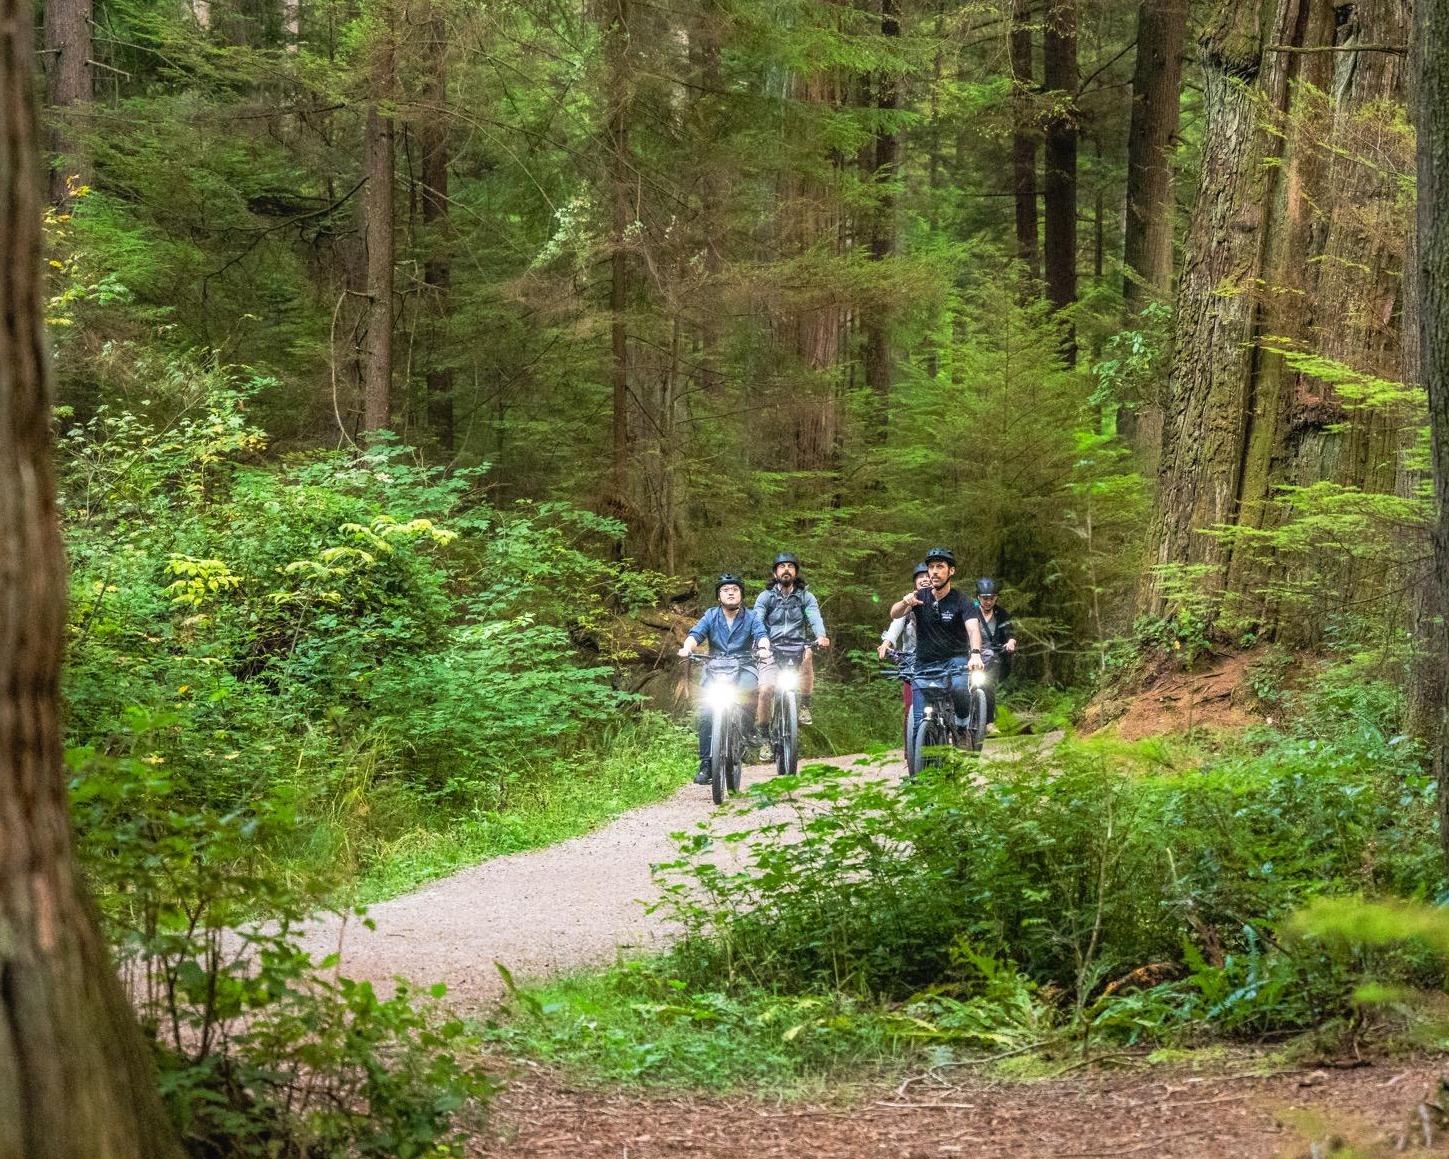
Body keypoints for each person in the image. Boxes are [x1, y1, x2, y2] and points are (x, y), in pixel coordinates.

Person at [678, 574, 771, 784]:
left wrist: (764, 648)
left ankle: (748, 730)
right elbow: (695, 635)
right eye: (725, 589)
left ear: (741, 594)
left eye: (735, 589)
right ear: (719, 596)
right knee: (706, 712)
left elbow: (761, 634)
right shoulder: (711, 615)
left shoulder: (752, 616)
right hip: (716, 668)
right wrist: (686, 647)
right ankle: (706, 765)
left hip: (744, 666)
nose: (730, 592)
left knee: (749, 691)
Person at [887, 548, 985, 745]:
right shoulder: (919, 596)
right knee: (917, 726)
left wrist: (975, 654)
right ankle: (919, 770)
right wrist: (904, 602)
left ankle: (961, 727)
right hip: (924, 664)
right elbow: (894, 614)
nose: (934, 572)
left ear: (951, 571)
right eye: (931, 567)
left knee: (959, 688)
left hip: (955, 661)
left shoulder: (962, 600)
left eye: (940, 567)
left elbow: (973, 630)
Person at [754, 552, 829, 760]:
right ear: (775, 572)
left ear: (796, 572)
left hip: (798, 645)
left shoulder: (805, 596)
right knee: (766, 689)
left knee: (808, 654)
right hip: (771, 647)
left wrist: (820, 635)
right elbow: (757, 619)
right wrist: (761, 641)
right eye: (781, 566)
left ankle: (804, 704)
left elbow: (814, 616)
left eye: (790, 566)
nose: (786, 569)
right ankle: (765, 738)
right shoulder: (766, 596)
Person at [878, 562, 930, 745]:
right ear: (915, 582)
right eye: (920, 577)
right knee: (910, 707)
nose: (924, 580)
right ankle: (912, 753)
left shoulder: (942, 600)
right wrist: (886, 643)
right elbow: (896, 623)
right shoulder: (909, 604)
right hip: (912, 660)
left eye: (927, 576)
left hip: (936, 658)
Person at [973, 578, 1017, 733]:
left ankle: (989, 723)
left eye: (991, 598)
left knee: (987, 685)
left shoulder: (1002, 614)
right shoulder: (971, 612)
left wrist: (1011, 641)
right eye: (985, 598)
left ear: (996, 598)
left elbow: (1009, 631)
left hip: (993, 657)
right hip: (972, 655)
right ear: (978, 597)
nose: (988, 602)